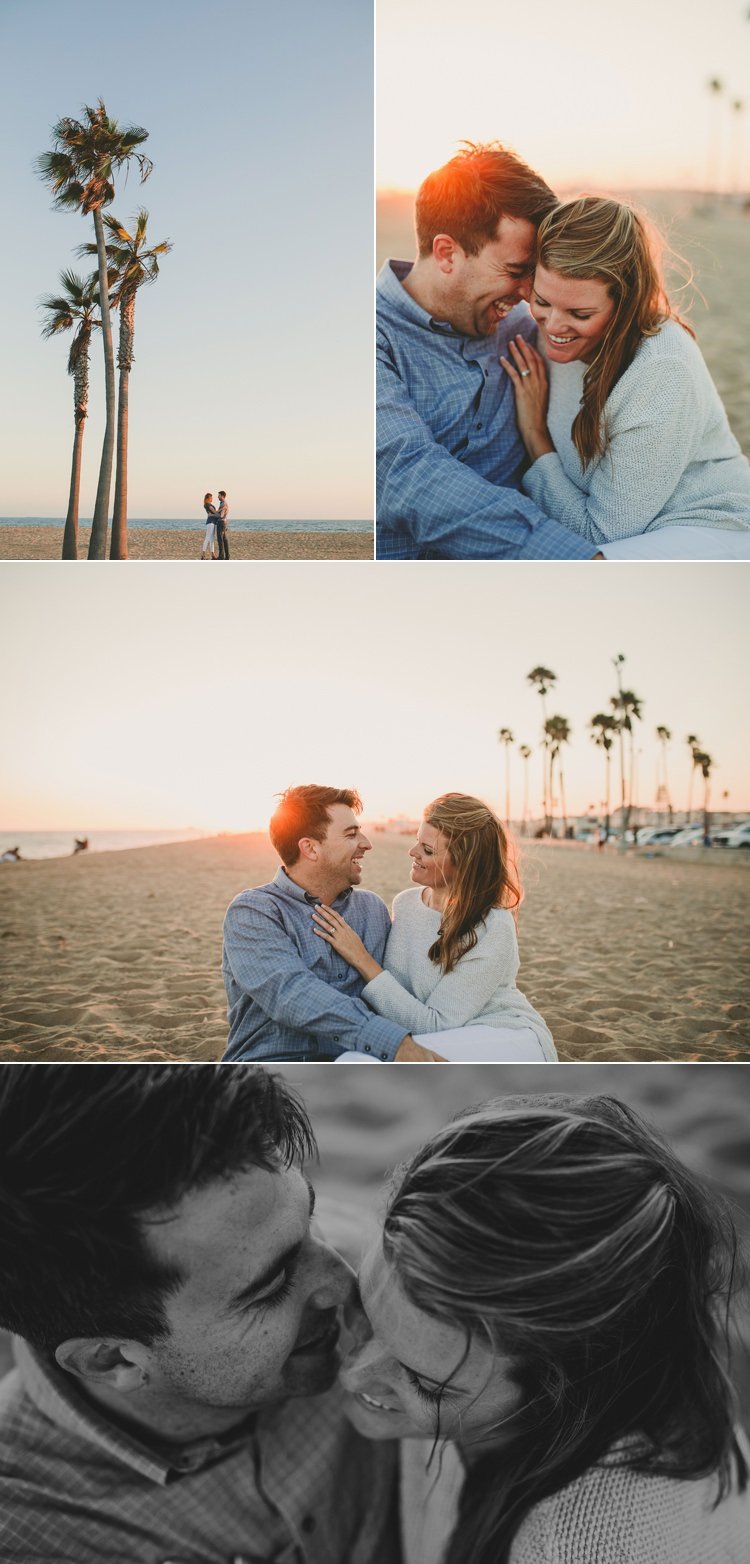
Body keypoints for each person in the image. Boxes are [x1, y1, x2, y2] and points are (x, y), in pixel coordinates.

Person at [0, 1063, 400, 1564]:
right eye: (272, 1285)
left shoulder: (394, 1281)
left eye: (310, 1220)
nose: (344, 1284)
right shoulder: (28, 1537)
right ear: (111, 1361)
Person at [339, 1093, 750, 1564]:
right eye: (365, 1309)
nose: (353, 1374)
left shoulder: (578, 1549)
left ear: (558, 1393)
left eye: (425, 1384)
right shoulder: (653, 1362)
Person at [376, 142, 602, 561]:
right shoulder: (371, 339)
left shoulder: (530, 326)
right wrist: (573, 559)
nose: (526, 296)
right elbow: (408, 476)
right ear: (447, 253)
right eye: (516, 272)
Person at [501, 197, 750, 560]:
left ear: (625, 304)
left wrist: (535, 436)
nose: (553, 326)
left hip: (708, 527)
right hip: (634, 534)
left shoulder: (661, 372)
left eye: (580, 313)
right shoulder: (546, 332)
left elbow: (601, 533)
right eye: (541, 301)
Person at [312, 794, 556, 1062]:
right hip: (433, 1035)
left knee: (355, 1063)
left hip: (503, 1034)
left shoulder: (494, 926)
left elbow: (437, 1023)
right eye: (417, 842)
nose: (413, 852)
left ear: (463, 864)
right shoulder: (405, 904)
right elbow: (397, 995)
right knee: (353, 1059)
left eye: (427, 850)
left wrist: (361, 959)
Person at [222, 785, 442, 1063]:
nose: (367, 843)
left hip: (361, 1064)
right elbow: (293, 995)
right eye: (351, 834)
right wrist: (395, 1045)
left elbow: (396, 991)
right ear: (310, 848)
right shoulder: (254, 911)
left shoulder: (371, 910)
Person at [201, 491, 218, 559]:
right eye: (211, 498)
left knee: (211, 539)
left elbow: (214, 513)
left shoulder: (207, 504)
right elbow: (215, 513)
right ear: (208, 498)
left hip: (212, 522)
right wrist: (218, 513)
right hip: (210, 522)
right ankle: (203, 555)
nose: (212, 499)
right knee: (207, 538)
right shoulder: (208, 505)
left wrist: (214, 514)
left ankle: (213, 555)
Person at [215, 488, 230, 560]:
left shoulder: (223, 503)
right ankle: (227, 556)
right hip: (224, 522)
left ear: (222, 496)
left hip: (221, 523)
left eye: (219, 495)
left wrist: (216, 512)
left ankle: (221, 556)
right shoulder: (224, 503)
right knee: (224, 539)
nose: (218, 497)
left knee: (220, 539)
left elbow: (221, 515)